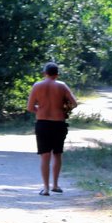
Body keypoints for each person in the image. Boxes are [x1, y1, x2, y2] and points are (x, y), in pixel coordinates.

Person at [26, 62, 78, 195]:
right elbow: (74, 103)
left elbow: (30, 107)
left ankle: (46, 188)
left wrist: (40, 109)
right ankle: (55, 184)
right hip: (58, 122)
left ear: (44, 73)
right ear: (57, 74)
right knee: (57, 154)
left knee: (45, 156)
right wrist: (64, 108)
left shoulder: (37, 86)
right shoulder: (62, 86)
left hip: (42, 123)